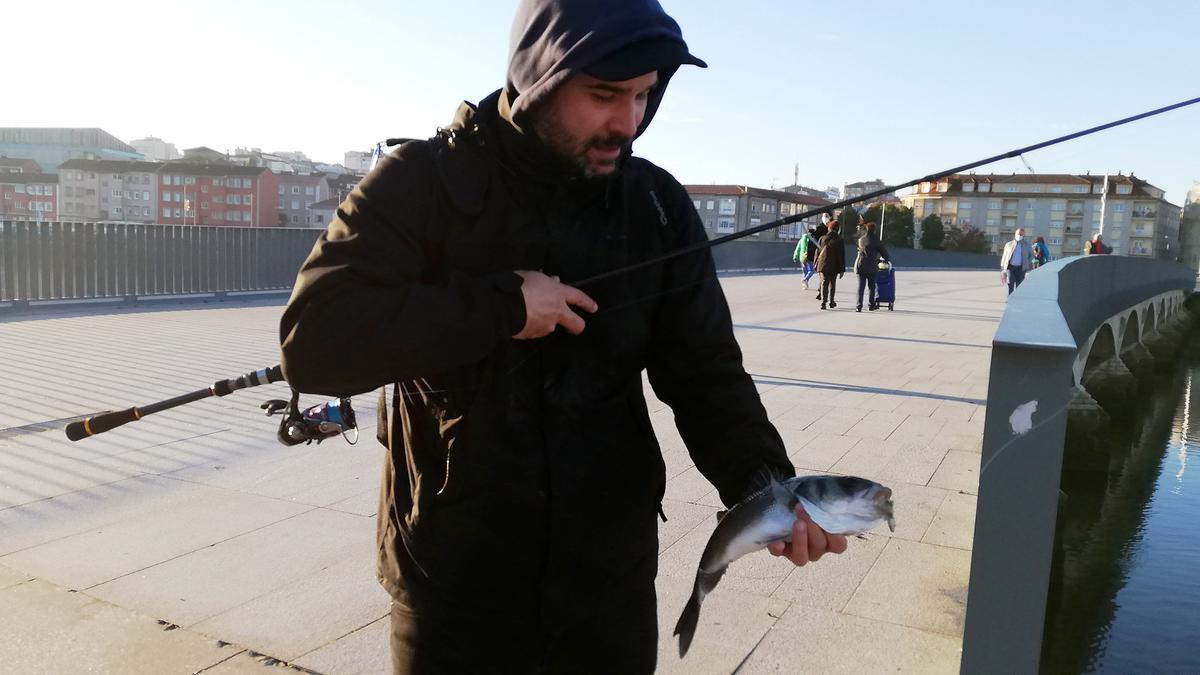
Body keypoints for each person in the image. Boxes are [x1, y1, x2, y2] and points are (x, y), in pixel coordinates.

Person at [278, 1, 846, 671]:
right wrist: (501, 306)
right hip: (454, 586)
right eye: (605, 93)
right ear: (539, 75)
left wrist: (767, 487)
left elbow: (706, 373)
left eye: (644, 94)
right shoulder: (419, 185)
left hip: (606, 587)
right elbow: (314, 339)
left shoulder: (655, 205)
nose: (628, 121)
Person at [854, 221, 890, 312]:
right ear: (874, 230)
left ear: (866, 229)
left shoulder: (861, 239)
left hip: (860, 265)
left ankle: (859, 306)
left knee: (860, 287)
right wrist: (886, 259)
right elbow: (884, 252)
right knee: (872, 287)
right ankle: (871, 304)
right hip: (872, 266)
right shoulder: (876, 240)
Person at [815, 219, 845, 309]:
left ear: (829, 228)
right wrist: (842, 269)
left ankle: (823, 302)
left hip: (823, 264)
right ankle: (831, 302)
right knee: (832, 283)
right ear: (838, 229)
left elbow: (818, 252)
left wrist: (815, 264)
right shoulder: (839, 240)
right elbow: (841, 255)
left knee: (824, 282)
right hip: (834, 265)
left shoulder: (822, 238)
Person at [1000, 227, 1032, 295]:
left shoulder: (1027, 245)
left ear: (1023, 236)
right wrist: (1002, 268)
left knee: (1019, 286)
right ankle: (1010, 300)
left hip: (1021, 269)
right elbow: (1004, 256)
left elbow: (1032, 255)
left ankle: (1017, 301)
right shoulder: (1008, 244)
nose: (1019, 236)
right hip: (1011, 268)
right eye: (1018, 234)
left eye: (1021, 235)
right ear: (1015, 234)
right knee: (1010, 285)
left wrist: (1027, 263)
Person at [810, 220, 830, 300]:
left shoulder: (821, 237)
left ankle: (821, 293)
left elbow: (817, 252)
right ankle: (824, 295)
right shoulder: (823, 232)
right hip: (826, 258)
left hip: (822, 257)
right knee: (827, 279)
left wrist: (815, 262)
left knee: (823, 278)